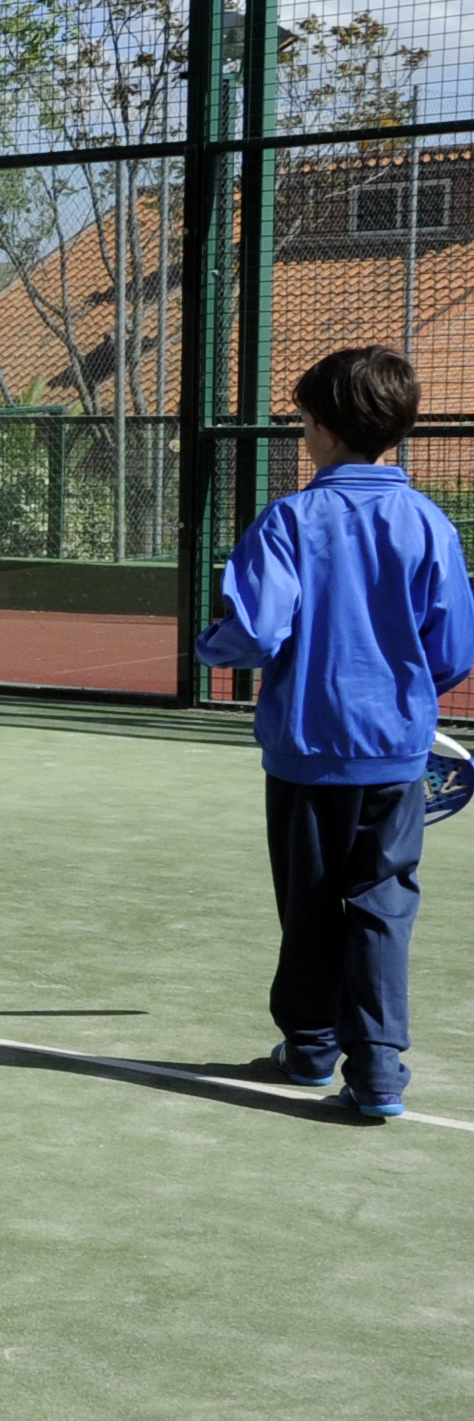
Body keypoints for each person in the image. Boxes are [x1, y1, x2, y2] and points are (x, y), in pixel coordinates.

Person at [197, 346, 474, 1121]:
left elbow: (252, 632)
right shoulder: (429, 523)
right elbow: (451, 651)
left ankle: (312, 1048)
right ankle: (379, 1068)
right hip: (395, 755)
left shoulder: (289, 518)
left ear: (322, 428)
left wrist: (209, 644)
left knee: (310, 899)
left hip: (307, 755)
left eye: (304, 421)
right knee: (385, 903)